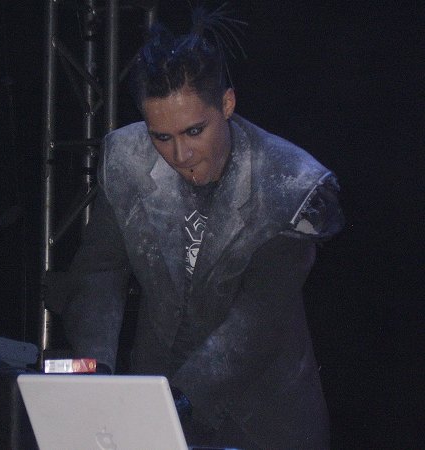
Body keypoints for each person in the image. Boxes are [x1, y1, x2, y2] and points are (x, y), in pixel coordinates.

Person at [48, 6, 343, 449]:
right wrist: (97, 374)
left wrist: (177, 401)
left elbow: (257, 320)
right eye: (161, 137)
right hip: (156, 399)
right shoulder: (126, 159)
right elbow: (99, 273)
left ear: (227, 104)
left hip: (266, 419)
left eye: (194, 131)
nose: (179, 155)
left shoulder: (291, 182)